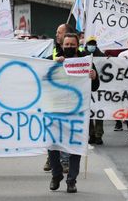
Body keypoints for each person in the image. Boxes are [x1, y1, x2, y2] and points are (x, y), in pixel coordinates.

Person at [49, 33, 99, 193]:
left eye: (72, 44)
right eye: (67, 44)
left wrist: (94, 76)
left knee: (75, 146)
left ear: (78, 46)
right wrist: (54, 65)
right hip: (56, 109)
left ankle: (71, 180)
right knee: (52, 145)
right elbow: (43, 79)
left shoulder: (86, 61)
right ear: (62, 45)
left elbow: (95, 86)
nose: (69, 47)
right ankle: (56, 174)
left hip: (77, 111)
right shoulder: (54, 59)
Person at [44, 23, 76, 173]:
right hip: (54, 102)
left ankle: (64, 162)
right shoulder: (54, 53)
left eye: (59, 32)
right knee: (54, 133)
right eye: (56, 32)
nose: (56, 35)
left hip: (72, 103)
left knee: (65, 132)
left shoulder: (80, 55)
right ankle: (53, 158)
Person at [84, 36, 105, 145]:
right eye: (90, 43)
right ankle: (91, 134)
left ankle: (98, 135)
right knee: (88, 112)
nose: (91, 46)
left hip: (99, 89)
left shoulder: (101, 56)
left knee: (98, 113)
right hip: (87, 88)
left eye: (93, 43)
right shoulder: (83, 55)